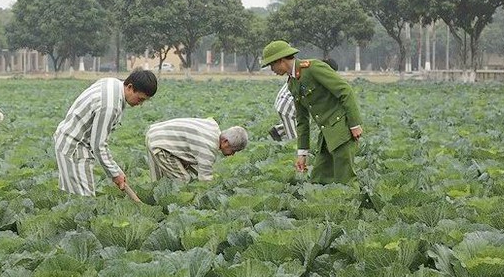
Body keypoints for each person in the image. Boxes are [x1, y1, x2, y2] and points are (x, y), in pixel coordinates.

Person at [261, 41, 362, 183]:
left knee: (345, 178)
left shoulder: (313, 68)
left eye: (272, 64)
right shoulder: (292, 83)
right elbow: (301, 120)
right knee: (318, 179)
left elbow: (345, 91)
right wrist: (302, 153)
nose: (272, 69)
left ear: (281, 60)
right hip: (326, 134)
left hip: (342, 130)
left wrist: (354, 124)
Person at [53, 69, 157, 196]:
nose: (140, 104)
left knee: (76, 195)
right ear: (130, 87)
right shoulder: (110, 106)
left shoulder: (113, 83)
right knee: (84, 198)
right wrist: (115, 173)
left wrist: (116, 171)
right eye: (140, 99)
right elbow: (98, 145)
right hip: (74, 146)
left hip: (73, 141)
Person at [146, 118, 248, 182]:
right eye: (233, 150)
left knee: (159, 180)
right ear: (225, 142)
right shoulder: (209, 146)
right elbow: (205, 179)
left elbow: (195, 164)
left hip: (155, 134)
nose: (232, 154)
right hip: (161, 144)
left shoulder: (213, 128)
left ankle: (154, 203)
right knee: (182, 180)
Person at [269, 58, 338, 142]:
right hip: (286, 107)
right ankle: (281, 137)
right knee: (295, 141)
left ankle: (277, 131)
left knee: (303, 124)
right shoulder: (312, 74)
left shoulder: (309, 71)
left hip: (287, 103)